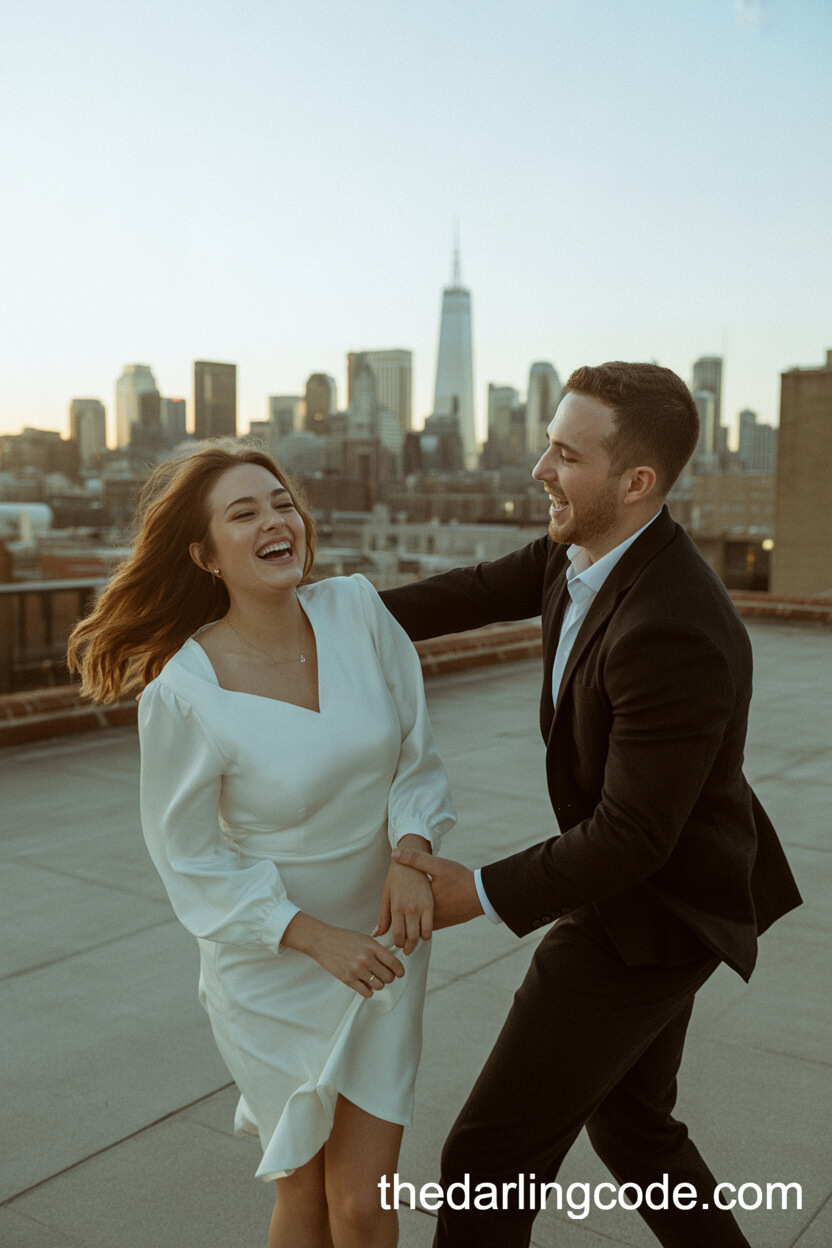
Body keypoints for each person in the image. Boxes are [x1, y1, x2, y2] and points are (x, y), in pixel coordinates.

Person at [379, 362, 802, 1247]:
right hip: (659, 885)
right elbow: (458, 593)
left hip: (656, 913)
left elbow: (633, 836)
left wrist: (476, 891)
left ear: (636, 481)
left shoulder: (673, 624)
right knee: (635, 1130)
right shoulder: (577, 555)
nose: (540, 470)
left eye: (566, 454)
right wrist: (309, 616)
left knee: (487, 1164)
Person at [67, 440, 456, 1248]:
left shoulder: (355, 610)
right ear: (205, 554)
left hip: (384, 944)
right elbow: (188, 859)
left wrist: (413, 856)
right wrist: (315, 940)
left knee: (362, 1203)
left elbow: (416, 755)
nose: (276, 522)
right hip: (273, 965)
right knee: (306, 1194)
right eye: (244, 513)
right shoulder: (182, 692)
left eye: (281, 504)